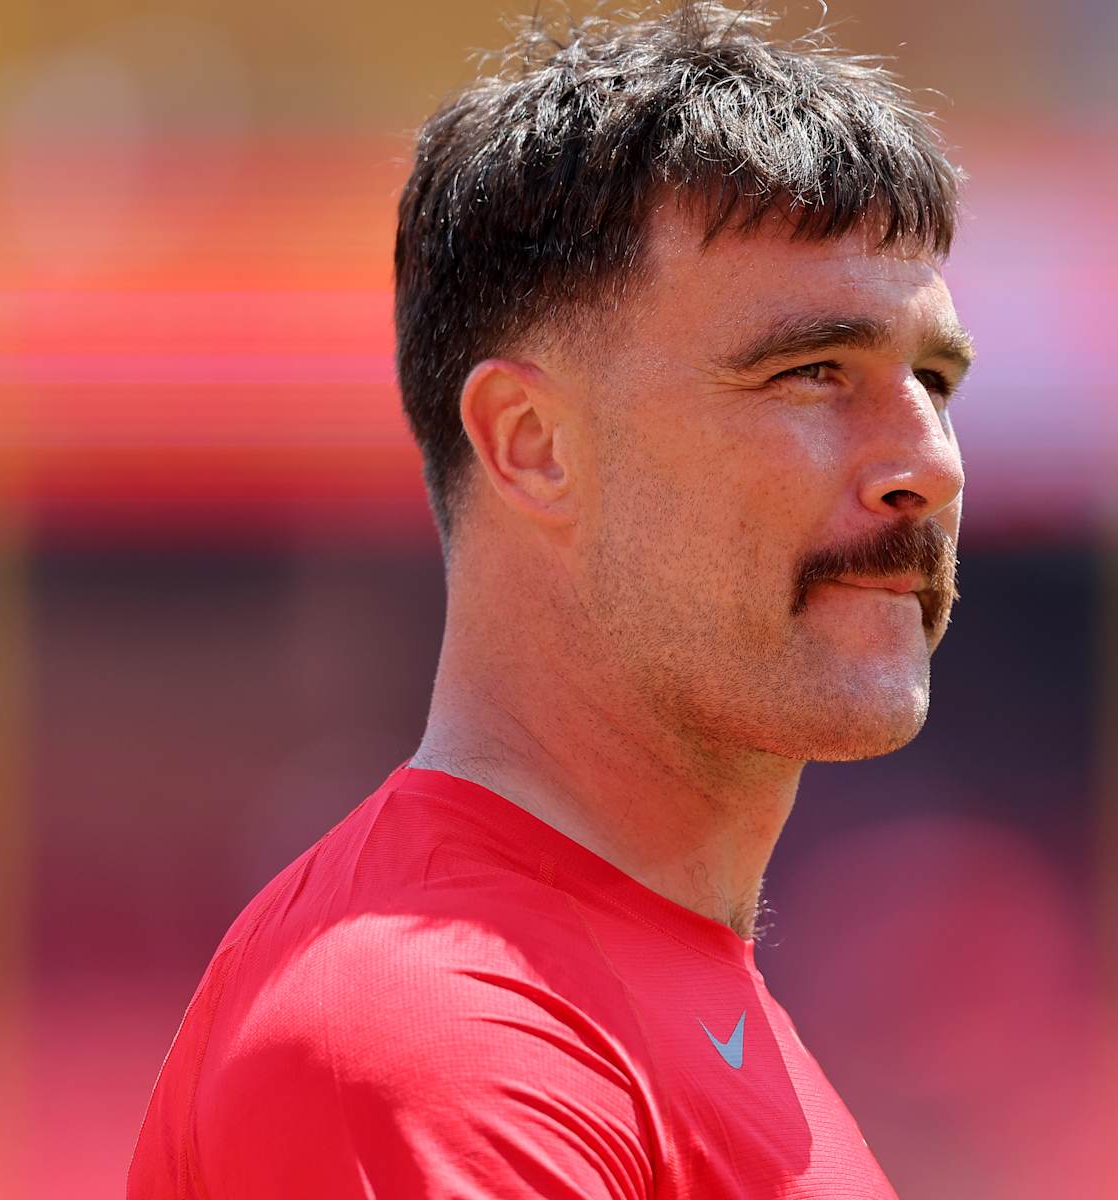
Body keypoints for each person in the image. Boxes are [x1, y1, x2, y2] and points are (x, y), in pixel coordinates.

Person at [129, 3, 970, 1195]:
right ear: (531, 446)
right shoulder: (437, 1045)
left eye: (932, 378)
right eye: (811, 373)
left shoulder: (654, 987)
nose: (929, 461)